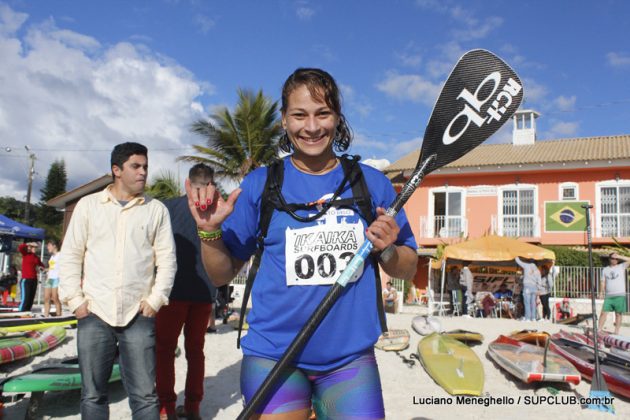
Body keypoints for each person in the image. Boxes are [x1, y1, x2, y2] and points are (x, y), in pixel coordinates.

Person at [186, 68, 418, 419]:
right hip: (273, 356)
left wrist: (386, 248)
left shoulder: (371, 185)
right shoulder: (260, 185)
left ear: (338, 118)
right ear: (283, 120)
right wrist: (208, 232)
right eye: (299, 115)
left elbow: (408, 265)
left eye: (322, 113)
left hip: (349, 359)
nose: (311, 127)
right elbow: (221, 275)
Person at [59, 142, 177, 420]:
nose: (143, 172)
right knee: (92, 395)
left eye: (145, 166)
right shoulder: (88, 206)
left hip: (138, 313)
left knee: (146, 397)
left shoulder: (156, 209)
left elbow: (168, 259)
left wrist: (155, 300)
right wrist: (76, 302)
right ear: (116, 170)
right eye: (136, 166)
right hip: (94, 313)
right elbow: (71, 255)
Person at [156, 164, 217, 420]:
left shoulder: (166, 208)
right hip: (204, 292)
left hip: (172, 290)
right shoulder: (220, 211)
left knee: (164, 351)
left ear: (187, 184)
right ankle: (193, 408)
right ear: (211, 185)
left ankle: (166, 409)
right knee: (195, 351)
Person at [598, 252, 630, 335]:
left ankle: (616, 332)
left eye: (616, 258)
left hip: (620, 295)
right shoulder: (605, 270)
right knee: (603, 313)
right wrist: (601, 292)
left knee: (618, 314)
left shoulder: (621, 266)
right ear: (609, 259)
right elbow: (602, 282)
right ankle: (599, 330)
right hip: (609, 296)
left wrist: (619, 256)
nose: (615, 260)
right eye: (613, 258)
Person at [17, 242, 44, 311]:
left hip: (34, 280)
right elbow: (20, 247)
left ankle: (27, 313)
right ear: (30, 248)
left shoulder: (35, 257)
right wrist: (28, 244)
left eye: (36, 247)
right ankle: (21, 312)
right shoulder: (25, 254)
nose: (35, 249)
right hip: (26, 280)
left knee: (31, 299)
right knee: (26, 299)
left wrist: (41, 267)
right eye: (33, 247)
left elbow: (41, 265)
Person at [515, 256, 541, 321]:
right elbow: (539, 280)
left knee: (527, 302)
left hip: (527, 287)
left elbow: (518, 261)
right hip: (534, 287)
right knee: (533, 303)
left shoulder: (526, 266)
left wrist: (516, 256)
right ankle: (534, 318)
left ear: (529, 261)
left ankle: (528, 318)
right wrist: (539, 289)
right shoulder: (537, 270)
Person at [43, 239, 63, 317]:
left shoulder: (60, 255)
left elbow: (62, 266)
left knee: (55, 298)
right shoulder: (52, 256)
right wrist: (46, 270)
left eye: (49, 245)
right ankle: (46, 315)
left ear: (54, 246)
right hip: (50, 278)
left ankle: (58, 315)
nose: (47, 247)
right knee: (46, 298)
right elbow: (52, 267)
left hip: (56, 278)